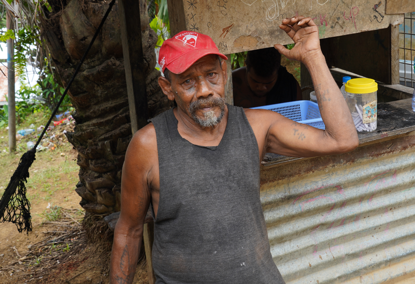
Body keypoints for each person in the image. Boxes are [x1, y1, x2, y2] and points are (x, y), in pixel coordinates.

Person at [110, 16, 358, 284]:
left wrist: (313, 56)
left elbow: (342, 139)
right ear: (167, 88)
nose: (204, 91)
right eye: (188, 82)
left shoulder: (257, 126)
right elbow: (129, 231)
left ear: (224, 73)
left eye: (211, 75)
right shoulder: (148, 146)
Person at [232, 47, 301, 108]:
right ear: (247, 69)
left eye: (268, 83)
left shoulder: (289, 86)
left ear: (277, 73)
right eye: (255, 81)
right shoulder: (232, 84)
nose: (261, 88)